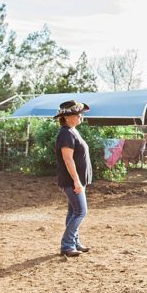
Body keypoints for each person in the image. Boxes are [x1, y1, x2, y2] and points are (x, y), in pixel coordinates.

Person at [54, 100, 93, 258]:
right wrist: (76, 180)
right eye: (77, 114)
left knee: (73, 212)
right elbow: (67, 159)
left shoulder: (71, 131)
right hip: (71, 180)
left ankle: (74, 242)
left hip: (75, 180)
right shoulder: (66, 134)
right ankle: (67, 245)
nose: (80, 117)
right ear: (68, 117)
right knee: (80, 211)